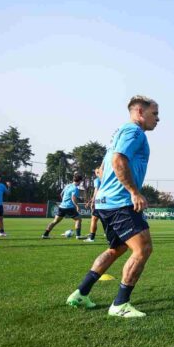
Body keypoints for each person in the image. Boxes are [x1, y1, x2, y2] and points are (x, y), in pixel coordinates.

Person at [65, 95, 159, 318]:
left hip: (106, 202)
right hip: (120, 202)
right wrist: (134, 192)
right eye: (154, 113)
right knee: (142, 248)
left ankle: (81, 293)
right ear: (139, 112)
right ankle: (120, 304)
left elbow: (107, 163)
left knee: (117, 249)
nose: (158, 118)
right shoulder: (133, 131)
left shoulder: (120, 133)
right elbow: (118, 160)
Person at [42, 174, 83, 239]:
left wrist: (64, 202)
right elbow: (73, 198)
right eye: (81, 182)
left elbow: (61, 194)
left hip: (62, 207)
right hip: (69, 207)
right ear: (80, 181)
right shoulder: (75, 188)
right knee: (78, 220)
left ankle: (45, 235)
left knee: (55, 221)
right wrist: (77, 206)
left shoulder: (67, 186)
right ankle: (78, 236)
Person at [85, 167, 102, 242]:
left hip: (99, 202)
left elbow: (96, 191)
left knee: (94, 219)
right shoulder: (107, 180)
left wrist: (92, 202)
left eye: (97, 172)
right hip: (108, 202)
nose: (96, 173)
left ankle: (91, 238)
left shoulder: (97, 180)